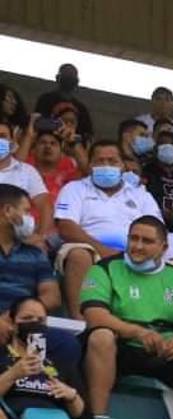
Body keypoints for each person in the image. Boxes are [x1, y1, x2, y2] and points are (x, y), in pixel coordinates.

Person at [80, 216, 173, 419]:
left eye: (146, 241)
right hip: (120, 347)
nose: (137, 246)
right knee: (100, 336)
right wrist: (137, 332)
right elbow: (94, 315)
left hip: (164, 351)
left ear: (163, 247)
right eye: (133, 238)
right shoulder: (104, 268)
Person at [54, 140, 162, 318]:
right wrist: (104, 250)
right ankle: (82, 322)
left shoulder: (141, 195)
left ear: (122, 165)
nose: (106, 166)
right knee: (79, 255)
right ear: (90, 165)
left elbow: (156, 230)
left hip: (134, 251)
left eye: (112, 161)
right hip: (88, 249)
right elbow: (66, 227)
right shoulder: (75, 189)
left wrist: (129, 252)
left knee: (171, 265)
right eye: (100, 161)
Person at [0, 184, 59, 320]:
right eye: (26, 211)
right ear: (8, 210)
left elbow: (52, 297)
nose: (30, 218)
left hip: (24, 323)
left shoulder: (35, 254)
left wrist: (13, 316)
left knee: (65, 341)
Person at [0, 121, 51, 246]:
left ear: (12, 141)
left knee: (39, 248)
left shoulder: (27, 171)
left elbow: (45, 206)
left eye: (2, 136)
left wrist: (40, 236)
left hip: (20, 237)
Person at [34, 64, 94, 140]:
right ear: (57, 78)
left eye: (71, 76)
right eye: (66, 75)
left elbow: (87, 134)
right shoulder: (45, 99)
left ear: (77, 81)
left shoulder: (81, 108)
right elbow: (37, 123)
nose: (68, 79)